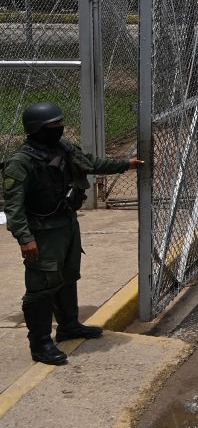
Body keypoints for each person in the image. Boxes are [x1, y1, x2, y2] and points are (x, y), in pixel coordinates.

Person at [3, 103, 143, 365]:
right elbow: (14, 206)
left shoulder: (62, 148)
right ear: (36, 129)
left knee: (68, 277)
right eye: (52, 127)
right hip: (43, 233)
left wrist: (126, 165)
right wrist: (25, 238)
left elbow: (90, 163)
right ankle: (41, 344)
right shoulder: (20, 163)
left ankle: (69, 325)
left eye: (59, 125)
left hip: (67, 224)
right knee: (41, 288)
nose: (58, 130)